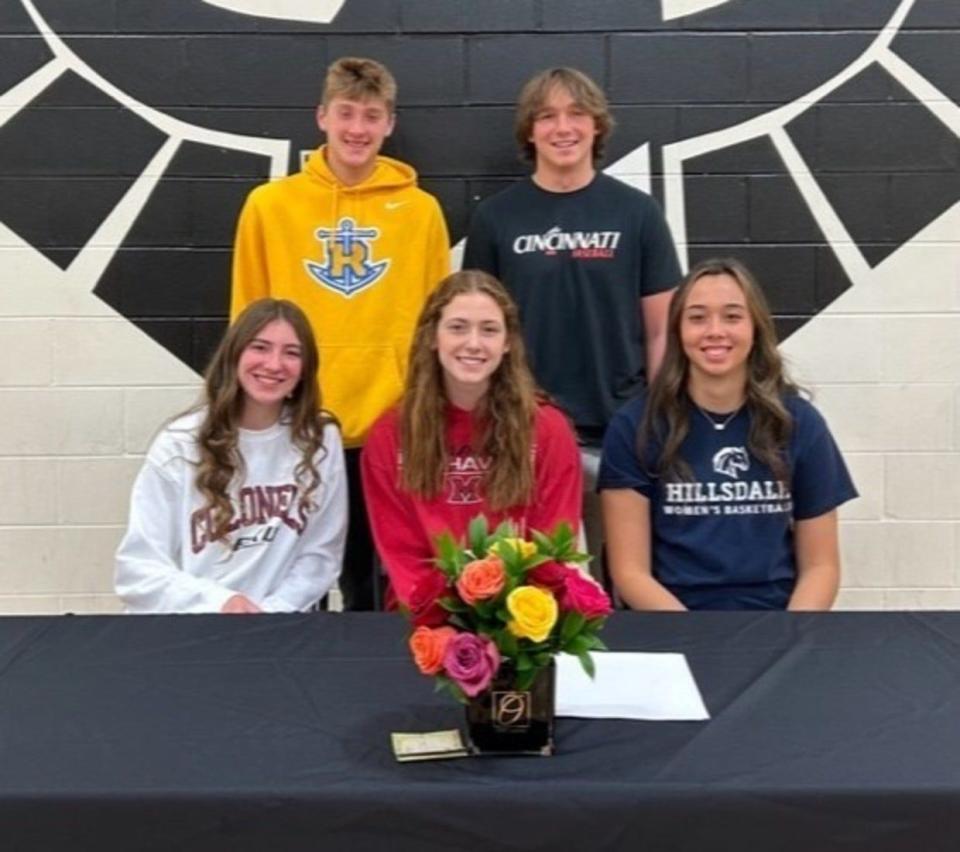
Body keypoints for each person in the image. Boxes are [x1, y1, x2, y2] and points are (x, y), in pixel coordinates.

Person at [231, 57, 450, 610]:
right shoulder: (268, 207)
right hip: (297, 420)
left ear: (390, 124)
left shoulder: (421, 212)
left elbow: (435, 326)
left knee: (372, 584)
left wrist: (427, 412)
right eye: (346, 113)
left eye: (371, 116)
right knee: (286, 574)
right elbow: (247, 320)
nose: (358, 129)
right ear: (321, 116)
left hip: (387, 427)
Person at [462, 66, 681, 575]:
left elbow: (661, 330)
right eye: (548, 116)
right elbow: (476, 333)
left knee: (621, 578)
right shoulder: (497, 218)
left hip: (619, 429)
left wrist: (655, 418)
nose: (564, 128)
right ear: (530, 131)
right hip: (522, 430)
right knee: (533, 580)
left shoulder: (637, 213)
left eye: (577, 114)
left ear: (597, 126)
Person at [598, 258, 857, 611]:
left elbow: (821, 567)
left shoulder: (799, 422)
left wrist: (789, 636)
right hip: (672, 623)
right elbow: (629, 572)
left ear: (755, 328)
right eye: (698, 317)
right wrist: (697, 641)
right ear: (677, 330)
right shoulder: (635, 425)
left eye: (732, 316)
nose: (715, 331)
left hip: (774, 621)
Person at [361, 270, 583, 606]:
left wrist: (509, 621)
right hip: (426, 617)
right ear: (432, 336)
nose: (474, 343)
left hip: (521, 617)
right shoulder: (389, 436)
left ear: (507, 343)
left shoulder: (549, 430)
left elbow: (552, 548)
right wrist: (451, 621)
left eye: (489, 330)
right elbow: (402, 555)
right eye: (458, 327)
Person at [115, 299, 347, 614]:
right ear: (234, 355)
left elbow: (321, 556)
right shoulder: (180, 443)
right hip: (190, 626)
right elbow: (138, 569)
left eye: (292, 353)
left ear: (305, 369)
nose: (274, 364)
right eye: (260, 347)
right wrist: (220, 603)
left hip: (277, 627)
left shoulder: (319, 439)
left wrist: (271, 612)